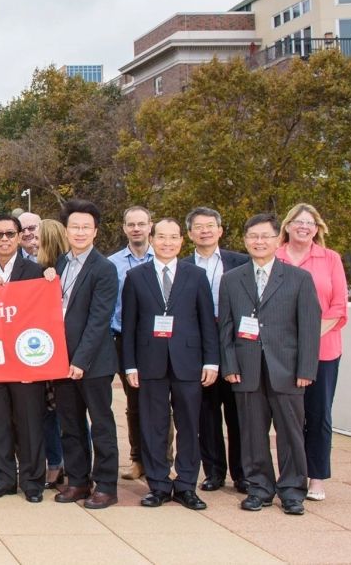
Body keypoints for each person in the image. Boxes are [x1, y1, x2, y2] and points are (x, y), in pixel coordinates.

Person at [220, 213, 321, 515]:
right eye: (253, 236)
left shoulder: (298, 279)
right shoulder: (231, 280)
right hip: (246, 367)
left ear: (278, 240)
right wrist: (229, 364)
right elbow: (225, 327)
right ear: (245, 240)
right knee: (251, 432)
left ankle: (292, 490)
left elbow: (309, 326)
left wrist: (306, 369)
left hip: (287, 369)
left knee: (290, 432)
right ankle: (259, 487)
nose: (259, 241)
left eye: (265, 236)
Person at [122, 218, 218, 511]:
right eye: (161, 237)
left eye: (173, 237)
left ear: (181, 240)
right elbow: (129, 325)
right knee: (154, 425)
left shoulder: (196, 275)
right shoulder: (136, 276)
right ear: (152, 238)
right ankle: (159, 485)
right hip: (150, 362)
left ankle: (187, 484)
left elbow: (206, 322)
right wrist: (130, 366)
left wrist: (211, 361)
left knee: (190, 424)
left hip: (188, 362)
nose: (167, 242)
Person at [275, 203, 348, 502]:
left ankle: (316, 477)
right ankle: (291, 475)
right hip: (281, 351)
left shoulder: (330, 259)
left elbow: (339, 306)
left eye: (310, 223)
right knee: (287, 416)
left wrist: (308, 338)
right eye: (298, 221)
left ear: (317, 229)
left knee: (318, 416)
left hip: (323, 351)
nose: (304, 226)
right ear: (288, 226)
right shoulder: (273, 257)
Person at [0, 215, 48, 502]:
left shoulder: (36, 270)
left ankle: (32, 482)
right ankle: (3, 479)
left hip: (24, 357)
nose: (4, 239)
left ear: (19, 237)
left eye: (10, 234)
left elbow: (42, 313)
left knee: (29, 422)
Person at [53, 199, 120, 510]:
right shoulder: (60, 264)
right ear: (66, 230)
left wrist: (80, 360)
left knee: (101, 424)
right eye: (74, 227)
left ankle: (106, 485)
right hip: (61, 361)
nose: (79, 232)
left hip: (91, 363)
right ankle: (78, 481)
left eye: (85, 227)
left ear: (95, 231)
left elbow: (98, 319)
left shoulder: (104, 269)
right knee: (70, 424)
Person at [183, 207, 249, 494]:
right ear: (190, 234)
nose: (205, 231)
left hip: (235, 345)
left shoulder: (241, 263)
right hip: (198, 348)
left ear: (220, 230)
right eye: (199, 227)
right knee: (206, 414)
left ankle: (243, 473)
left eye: (210, 226)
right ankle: (214, 472)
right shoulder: (182, 266)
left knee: (238, 413)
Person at [108, 206, 154, 482]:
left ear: (150, 226)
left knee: (158, 401)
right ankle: (137, 458)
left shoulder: (164, 258)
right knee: (134, 402)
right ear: (124, 228)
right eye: (131, 224)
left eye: (141, 224)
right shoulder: (113, 263)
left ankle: (161, 458)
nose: (136, 228)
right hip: (122, 337)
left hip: (155, 340)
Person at [38, 218, 70, 489]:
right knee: (48, 411)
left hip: (63, 349)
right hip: (41, 350)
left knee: (68, 411)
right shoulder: (38, 271)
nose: (30, 239)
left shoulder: (60, 270)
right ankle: (55, 462)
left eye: (35, 235)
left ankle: (71, 463)